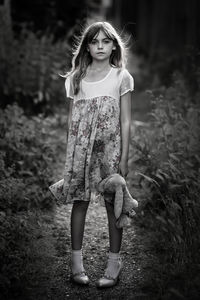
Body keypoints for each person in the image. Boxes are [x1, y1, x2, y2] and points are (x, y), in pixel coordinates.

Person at [51, 21, 134, 288]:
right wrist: (70, 156)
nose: (100, 46)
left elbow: (126, 121)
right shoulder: (77, 78)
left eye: (105, 41)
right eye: (95, 41)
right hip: (81, 152)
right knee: (80, 202)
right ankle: (76, 265)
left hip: (110, 150)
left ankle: (113, 264)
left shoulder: (121, 77)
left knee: (114, 202)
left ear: (113, 46)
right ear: (87, 46)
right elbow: (71, 121)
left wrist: (123, 157)